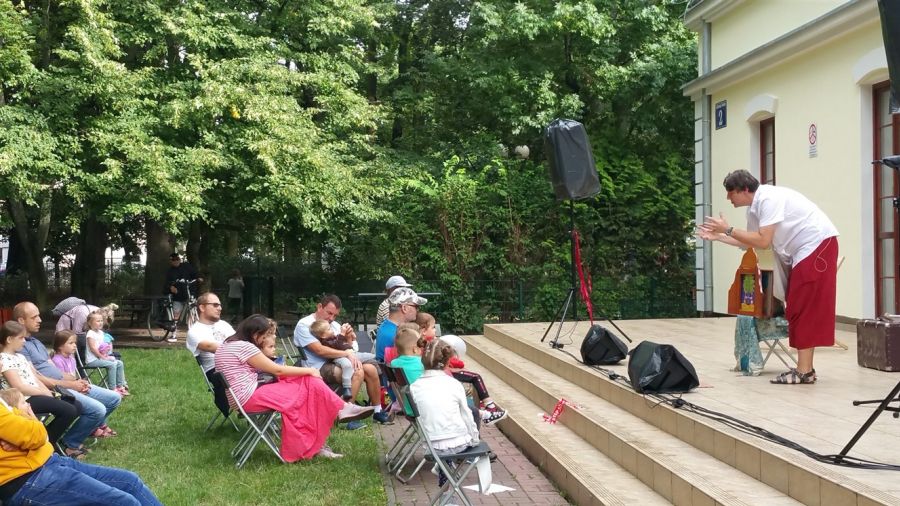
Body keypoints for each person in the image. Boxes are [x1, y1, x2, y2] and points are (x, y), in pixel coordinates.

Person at [698, 169, 839, 384]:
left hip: (817, 245)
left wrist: (728, 229)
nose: (727, 197)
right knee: (797, 305)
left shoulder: (768, 198)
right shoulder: (754, 209)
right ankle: (806, 370)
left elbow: (763, 241)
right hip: (805, 250)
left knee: (802, 305)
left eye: (730, 191)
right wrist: (719, 237)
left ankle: (804, 371)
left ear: (745, 190)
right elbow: (749, 241)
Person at [215, 315, 375, 461]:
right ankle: (336, 414)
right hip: (250, 396)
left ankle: (339, 411)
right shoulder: (244, 347)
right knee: (307, 390)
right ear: (255, 334)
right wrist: (310, 370)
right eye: (264, 336)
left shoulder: (227, 345)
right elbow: (277, 370)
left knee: (308, 383)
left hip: (241, 397)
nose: (264, 340)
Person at [0, 395, 162, 506]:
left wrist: (26, 433)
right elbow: (37, 435)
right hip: (27, 480)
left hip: (47, 461)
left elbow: (38, 436)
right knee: (124, 502)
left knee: (129, 481)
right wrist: (30, 425)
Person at [13, 303, 121, 455]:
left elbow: (54, 369)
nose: (40, 320)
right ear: (21, 320)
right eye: (34, 317)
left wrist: (76, 381)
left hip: (65, 384)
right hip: (53, 388)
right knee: (98, 410)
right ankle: (70, 444)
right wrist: (70, 385)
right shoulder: (20, 346)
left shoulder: (36, 342)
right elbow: (35, 377)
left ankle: (88, 427)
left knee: (114, 398)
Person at [293, 295, 388, 424]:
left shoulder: (334, 325)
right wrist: (346, 354)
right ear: (320, 307)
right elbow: (319, 350)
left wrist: (349, 337)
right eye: (329, 313)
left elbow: (351, 348)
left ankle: (378, 411)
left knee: (370, 369)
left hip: (338, 362)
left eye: (335, 315)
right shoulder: (304, 324)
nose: (332, 318)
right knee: (357, 371)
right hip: (317, 366)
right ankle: (346, 416)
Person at [409, 338, 491, 488]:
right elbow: (467, 416)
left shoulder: (414, 387)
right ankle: (445, 473)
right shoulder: (454, 384)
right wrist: (474, 439)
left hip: (430, 445)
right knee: (476, 447)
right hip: (457, 444)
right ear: (448, 363)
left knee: (446, 445)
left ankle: (444, 473)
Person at [0, 321, 84, 458]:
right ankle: (46, 445)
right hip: (24, 399)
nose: (24, 341)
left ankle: (47, 439)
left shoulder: (20, 356)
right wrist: (43, 393)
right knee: (68, 410)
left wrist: (48, 392)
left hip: (37, 394)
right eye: (21, 338)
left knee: (77, 405)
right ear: (9, 339)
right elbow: (19, 386)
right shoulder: (3, 359)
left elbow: (35, 378)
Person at [51, 331, 116, 438]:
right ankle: (94, 427)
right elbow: (61, 382)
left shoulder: (71, 359)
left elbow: (74, 376)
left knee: (112, 399)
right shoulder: (57, 360)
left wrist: (82, 384)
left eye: (75, 343)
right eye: (71, 343)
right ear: (60, 346)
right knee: (97, 406)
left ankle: (95, 425)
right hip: (65, 391)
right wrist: (78, 389)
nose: (75, 345)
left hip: (76, 387)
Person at [186, 293, 235, 417]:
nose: (220, 308)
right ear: (202, 307)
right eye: (215, 305)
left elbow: (239, 342)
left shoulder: (224, 325)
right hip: (217, 371)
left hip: (236, 364)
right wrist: (241, 349)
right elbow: (211, 347)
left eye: (220, 305)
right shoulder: (194, 331)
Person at [375, 287, 427, 363]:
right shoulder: (398, 335)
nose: (418, 310)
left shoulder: (386, 326)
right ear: (404, 308)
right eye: (416, 306)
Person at [84, 312, 129, 396]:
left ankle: (120, 386)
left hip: (101, 358)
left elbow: (102, 346)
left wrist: (107, 350)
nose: (100, 322)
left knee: (119, 363)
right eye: (98, 321)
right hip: (92, 360)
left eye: (101, 320)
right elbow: (93, 349)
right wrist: (103, 357)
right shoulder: (90, 333)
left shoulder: (101, 333)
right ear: (90, 323)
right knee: (112, 364)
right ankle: (112, 389)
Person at [163, 252, 201, 342]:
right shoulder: (170, 271)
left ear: (180, 259)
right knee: (176, 313)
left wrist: (199, 278)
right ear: (170, 261)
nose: (176, 261)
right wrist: (171, 287)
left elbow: (195, 274)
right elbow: (167, 283)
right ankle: (173, 334)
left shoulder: (187, 266)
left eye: (177, 259)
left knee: (193, 310)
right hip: (178, 296)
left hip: (189, 292)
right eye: (173, 260)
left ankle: (195, 333)